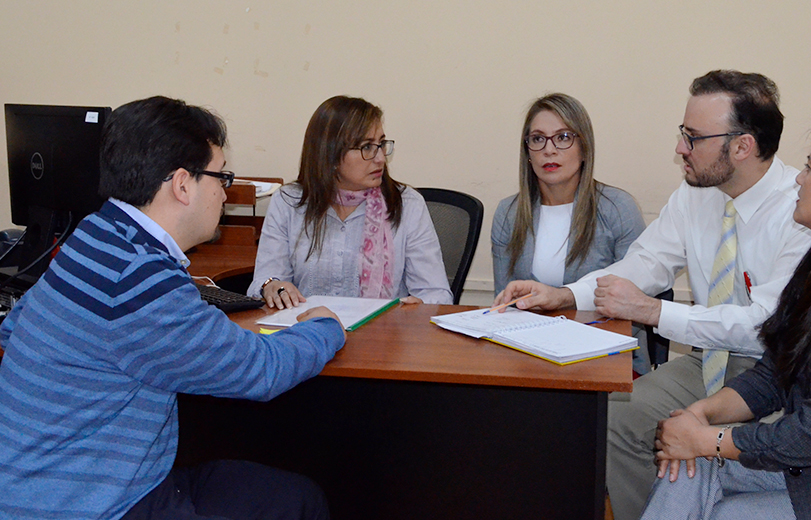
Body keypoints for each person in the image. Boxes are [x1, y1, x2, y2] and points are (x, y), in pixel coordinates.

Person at [0, 96, 346, 520]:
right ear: (183, 184)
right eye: (222, 177)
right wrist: (325, 327)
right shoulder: (141, 277)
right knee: (300, 500)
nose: (224, 192)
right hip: (94, 505)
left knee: (288, 493)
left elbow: (13, 327)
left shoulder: (95, 233)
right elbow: (261, 370)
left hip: (42, 484)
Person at [494, 70, 811, 519]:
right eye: (682, 134)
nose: (680, 149)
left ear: (741, 146)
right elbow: (642, 264)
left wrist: (652, 311)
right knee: (617, 419)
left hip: (779, 373)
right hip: (710, 359)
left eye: (693, 137)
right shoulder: (695, 194)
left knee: (716, 456)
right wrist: (564, 294)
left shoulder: (801, 209)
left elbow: (765, 328)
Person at [643, 114, 811, 519]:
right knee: (685, 469)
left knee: (721, 504)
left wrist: (706, 440)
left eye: (810, 168)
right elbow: (775, 373)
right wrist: (700, 415)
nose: (798, 179)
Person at [247, 95, 452, 308]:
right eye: (367, 147)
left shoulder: (408, 204)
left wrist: (419, 307)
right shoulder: (289, 202)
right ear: (331, 155)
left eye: (381, 144)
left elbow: (437, 294)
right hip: (307, 332)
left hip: (384, 336)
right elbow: (265, 281)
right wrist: (272, 286)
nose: (380, 157)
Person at [491, 93, 645, 294]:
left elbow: (633, 298)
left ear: (584, 148)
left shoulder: (618, 208)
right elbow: (505, 301)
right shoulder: (509, 213)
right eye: (538, 139)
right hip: (527, 325)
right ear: (527, 152)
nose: (549, 150)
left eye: (563, 137)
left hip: (598, 326)